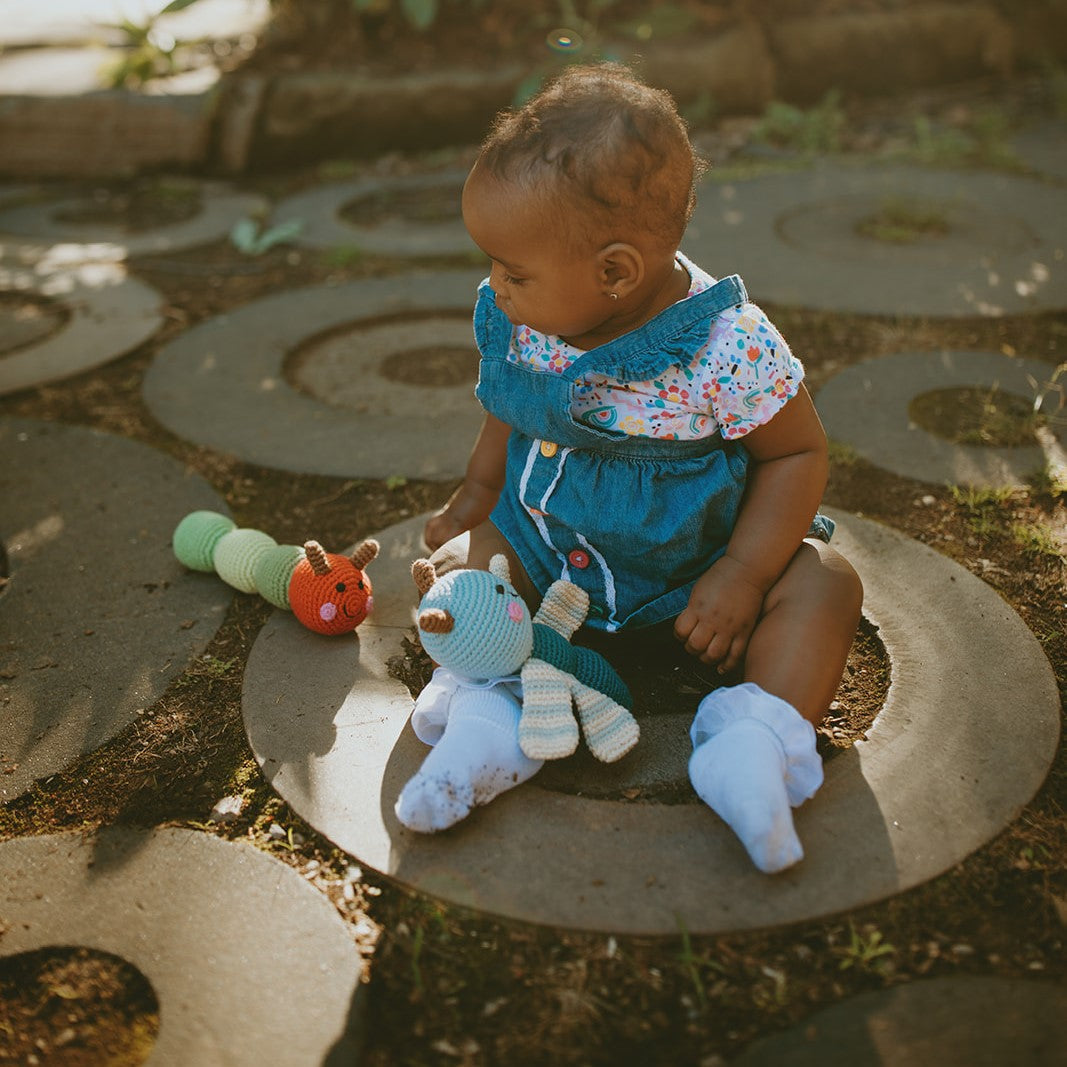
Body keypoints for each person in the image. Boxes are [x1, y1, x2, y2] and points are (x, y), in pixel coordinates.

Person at [398, 62, 863, 874]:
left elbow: (795, 452)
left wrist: (744, 574)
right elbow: (510, 403)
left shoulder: (725, 345)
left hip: (695, 579)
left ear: (614, 271)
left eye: (513, 272)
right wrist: (478, 492)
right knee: (474, 570)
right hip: (549, 551)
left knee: (825, 582)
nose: (496, 288)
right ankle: (488, 719)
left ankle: (752, 741)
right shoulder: (531, 315)